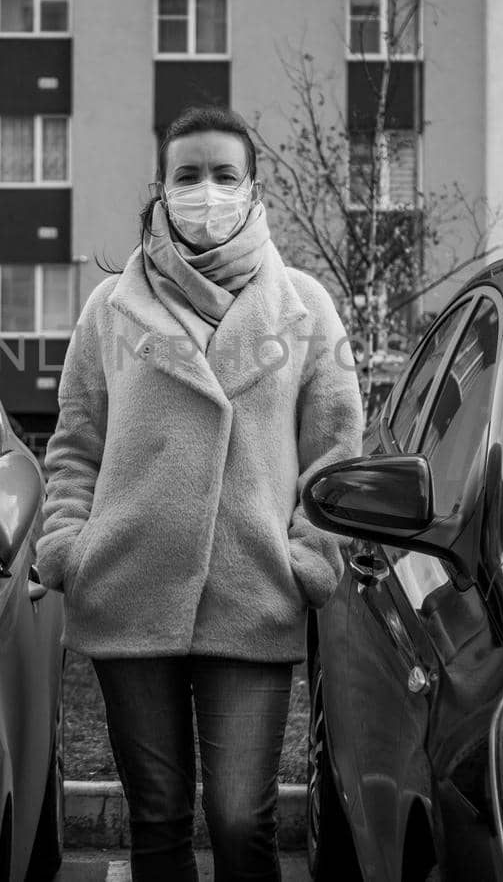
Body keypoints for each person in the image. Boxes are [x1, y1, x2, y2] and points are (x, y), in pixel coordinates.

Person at [34, 104, 364, 881]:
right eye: (188, 175)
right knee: (157, 817)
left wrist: (310, 556)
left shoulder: (306, 307)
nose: (206, 190)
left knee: (242, 817)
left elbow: (336, 449)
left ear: (253, 188)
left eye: (224, 174)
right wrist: (68, 543)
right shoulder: (108, 308)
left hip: (254, 589)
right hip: (127, 587)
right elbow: (75, 440)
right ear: (161, 187)